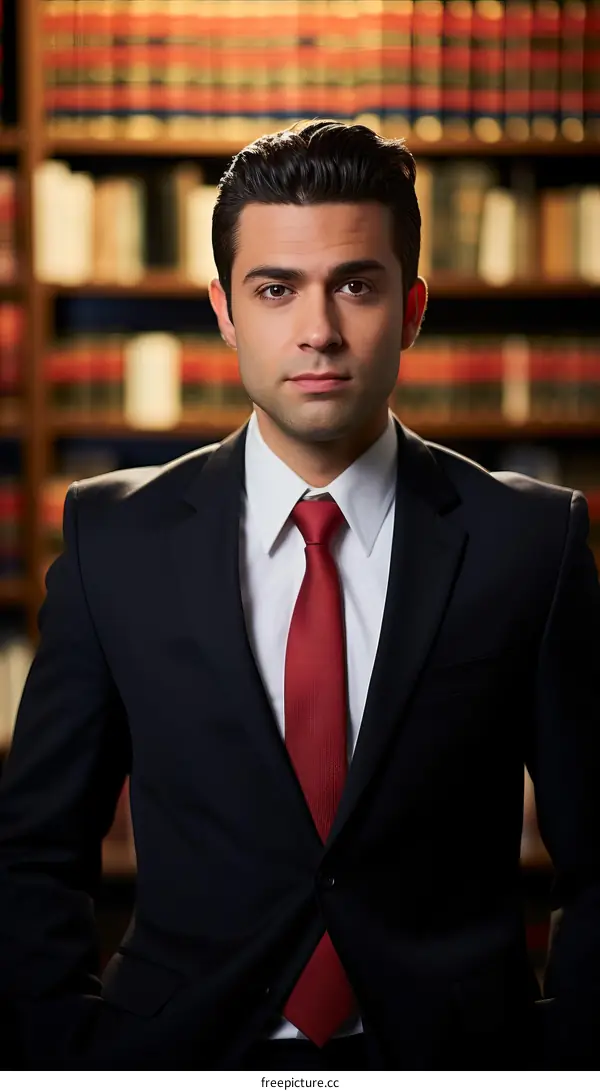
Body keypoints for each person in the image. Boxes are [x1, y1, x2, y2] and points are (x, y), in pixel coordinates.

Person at [1, 118, 599, 1072]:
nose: (316, 330)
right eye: (275, 289)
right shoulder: (111, 540)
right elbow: (31, 853)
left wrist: (563, 1056)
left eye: (355, 285)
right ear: (225, 310)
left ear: (411, 310)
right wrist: (67, 1053)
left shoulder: (533, 543)